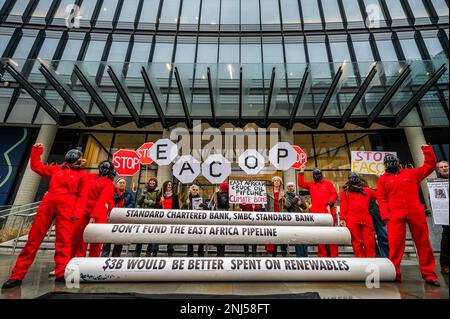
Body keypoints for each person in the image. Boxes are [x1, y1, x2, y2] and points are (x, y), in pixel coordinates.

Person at [2, 144, 89, 289]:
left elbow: (83, 195)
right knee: (33, 240)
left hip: (67, 205)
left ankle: (61, 273)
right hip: (48, 204)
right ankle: (16, 275)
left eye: (76, 156)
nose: (73, 157)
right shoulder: (56, 169)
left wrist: (77, 214)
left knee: (63, 241)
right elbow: (37, 167)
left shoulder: (82, 175)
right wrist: (36, 150)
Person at [378, 145, 440, 286]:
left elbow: (429, 166)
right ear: (384, 166)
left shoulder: (411, 173)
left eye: (392, 161)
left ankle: (429, 274)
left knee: (423, 243)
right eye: (387, 162)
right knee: (395, 245)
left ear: (398, 163)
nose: (390, 164)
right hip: (395, 215)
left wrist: (427, 150)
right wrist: (386, 215)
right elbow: (381, 198)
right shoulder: (383, 179)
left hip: (415, 212)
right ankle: (394, 272)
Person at [71, 161, 116, 258]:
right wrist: (78, 166)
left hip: (99, 213)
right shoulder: (89, 177)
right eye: (103, 167)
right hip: (84, 210)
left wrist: (94, 215)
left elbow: (102, 200)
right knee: (78, 237)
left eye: (106, 168)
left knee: (96, 240)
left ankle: (93, 262)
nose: (104, 169)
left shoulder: (109, 183)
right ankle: (76, 260)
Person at [298, 168, 339, 258]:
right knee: (320, 235)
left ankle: (334, 256)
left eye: (318, 174)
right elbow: (300, 184)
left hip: (328, 212)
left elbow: (334, 194)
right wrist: (301, 172)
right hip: (317, 214)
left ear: (321, 175)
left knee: (332, 235)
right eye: (315, 175)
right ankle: (322, 256)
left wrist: (329, 203)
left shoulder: (328, 183)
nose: (317, 176)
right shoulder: (311, 184)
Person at [340, 173, 377, 258]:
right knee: (357, 242)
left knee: (369, 242)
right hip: (354, 219)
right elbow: (344, 205)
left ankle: (370, 261)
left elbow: (380, 196)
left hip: (362, 218)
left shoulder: (366, 190)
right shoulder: (346, 191)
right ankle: (361, 262)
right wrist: (342, 219)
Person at [101, 177, 135, 257]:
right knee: (108, 237)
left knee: (119, 239)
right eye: (120, 183)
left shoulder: (129, 194)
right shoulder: (112, 192)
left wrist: (124, 210)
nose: (122, 184)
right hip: (111, 218)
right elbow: (110, 201)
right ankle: (105, 255)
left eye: (123, 183)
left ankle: (116, 257)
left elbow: (132, 204)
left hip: (122, 218)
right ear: (117, 184)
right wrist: (119, 198)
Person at [361, 178, 389, 258]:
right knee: (371, 240)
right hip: (366, 217)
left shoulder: (368, 191)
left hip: (376, 216)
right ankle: (378, 256)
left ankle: (385, 257)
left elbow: (380, 196)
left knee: (383, 237)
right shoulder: (354, 192)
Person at [135, 178, 162, 257]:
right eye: (151, 181)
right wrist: (143, 196)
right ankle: (137, 251)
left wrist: (152, 203)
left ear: (155, 183)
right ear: (148, 183)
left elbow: (158, 204)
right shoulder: (144, 191)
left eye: (154, 181)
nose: (152, 182)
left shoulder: (158, 192)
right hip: (143, 216)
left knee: (151, 235)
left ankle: (148, 251)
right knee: (140, 235)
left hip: (152, 216)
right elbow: (139, 202)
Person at [284, 182, 309, 257]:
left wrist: (300, 203)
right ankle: (300, 256)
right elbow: (288, 205)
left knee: (304, 237)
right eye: (288, 186)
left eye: (291, 186)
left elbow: (304, 206)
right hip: (293, 219)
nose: (290, 187)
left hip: (301, 219)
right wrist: (295, 199)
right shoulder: (286, 196)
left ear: (294, 187)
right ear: (287, 188)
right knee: (297, 237)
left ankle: (305, 255)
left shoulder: (297, 195)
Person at [266, 176, 287, 257]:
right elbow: (266, 205)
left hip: (281, 216)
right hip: (272, 216)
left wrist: (284, 199)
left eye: (278, 181)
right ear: (273, 182)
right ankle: (274, 254)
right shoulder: (268, 192)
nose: (276, 182)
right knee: (274, 235)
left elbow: (287, 205)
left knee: (282, 235)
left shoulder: (284, 192)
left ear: (281, 182)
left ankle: (283, 253)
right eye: (275, 181)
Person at [184, 184, 208, 257]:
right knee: (190, 239)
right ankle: (190, 254)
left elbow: (207, 210)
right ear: (190, 190)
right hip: (190, 222)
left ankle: (200, 254)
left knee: (201, 239)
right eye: (193, 189)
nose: (195, 191)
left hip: (200, 222)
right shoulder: (187, 199)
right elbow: (182, 211)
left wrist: (204, 206)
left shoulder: (201, 199)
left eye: (196, 190)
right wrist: (186, 204)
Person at [208, 182, 230, 257]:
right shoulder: (225, 194)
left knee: (221, 236)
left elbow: (223, 203)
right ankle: (220, 253)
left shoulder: (224, 195)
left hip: (221, 216)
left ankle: (220, 254)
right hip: (222, 217)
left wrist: (218, 194)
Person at [160, 180, 179, 257]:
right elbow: (157, 207)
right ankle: (154, 250)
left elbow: (177, 207)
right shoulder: (160, 195)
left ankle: (170, 250)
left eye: (170, 185)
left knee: (170, 234)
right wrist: (160, 202)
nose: (169, 186)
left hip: (171, 218)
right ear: (165, 186)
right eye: (168, 185)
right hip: (161, 217)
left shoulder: (175, 195)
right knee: (158, 234)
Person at [436, 160, 449, 275]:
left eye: (446, 166)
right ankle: (445, 265)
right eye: (442, 167)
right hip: (446, 214)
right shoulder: (436, 183)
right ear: (438, 170)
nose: (444, 168)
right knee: (446, 238)